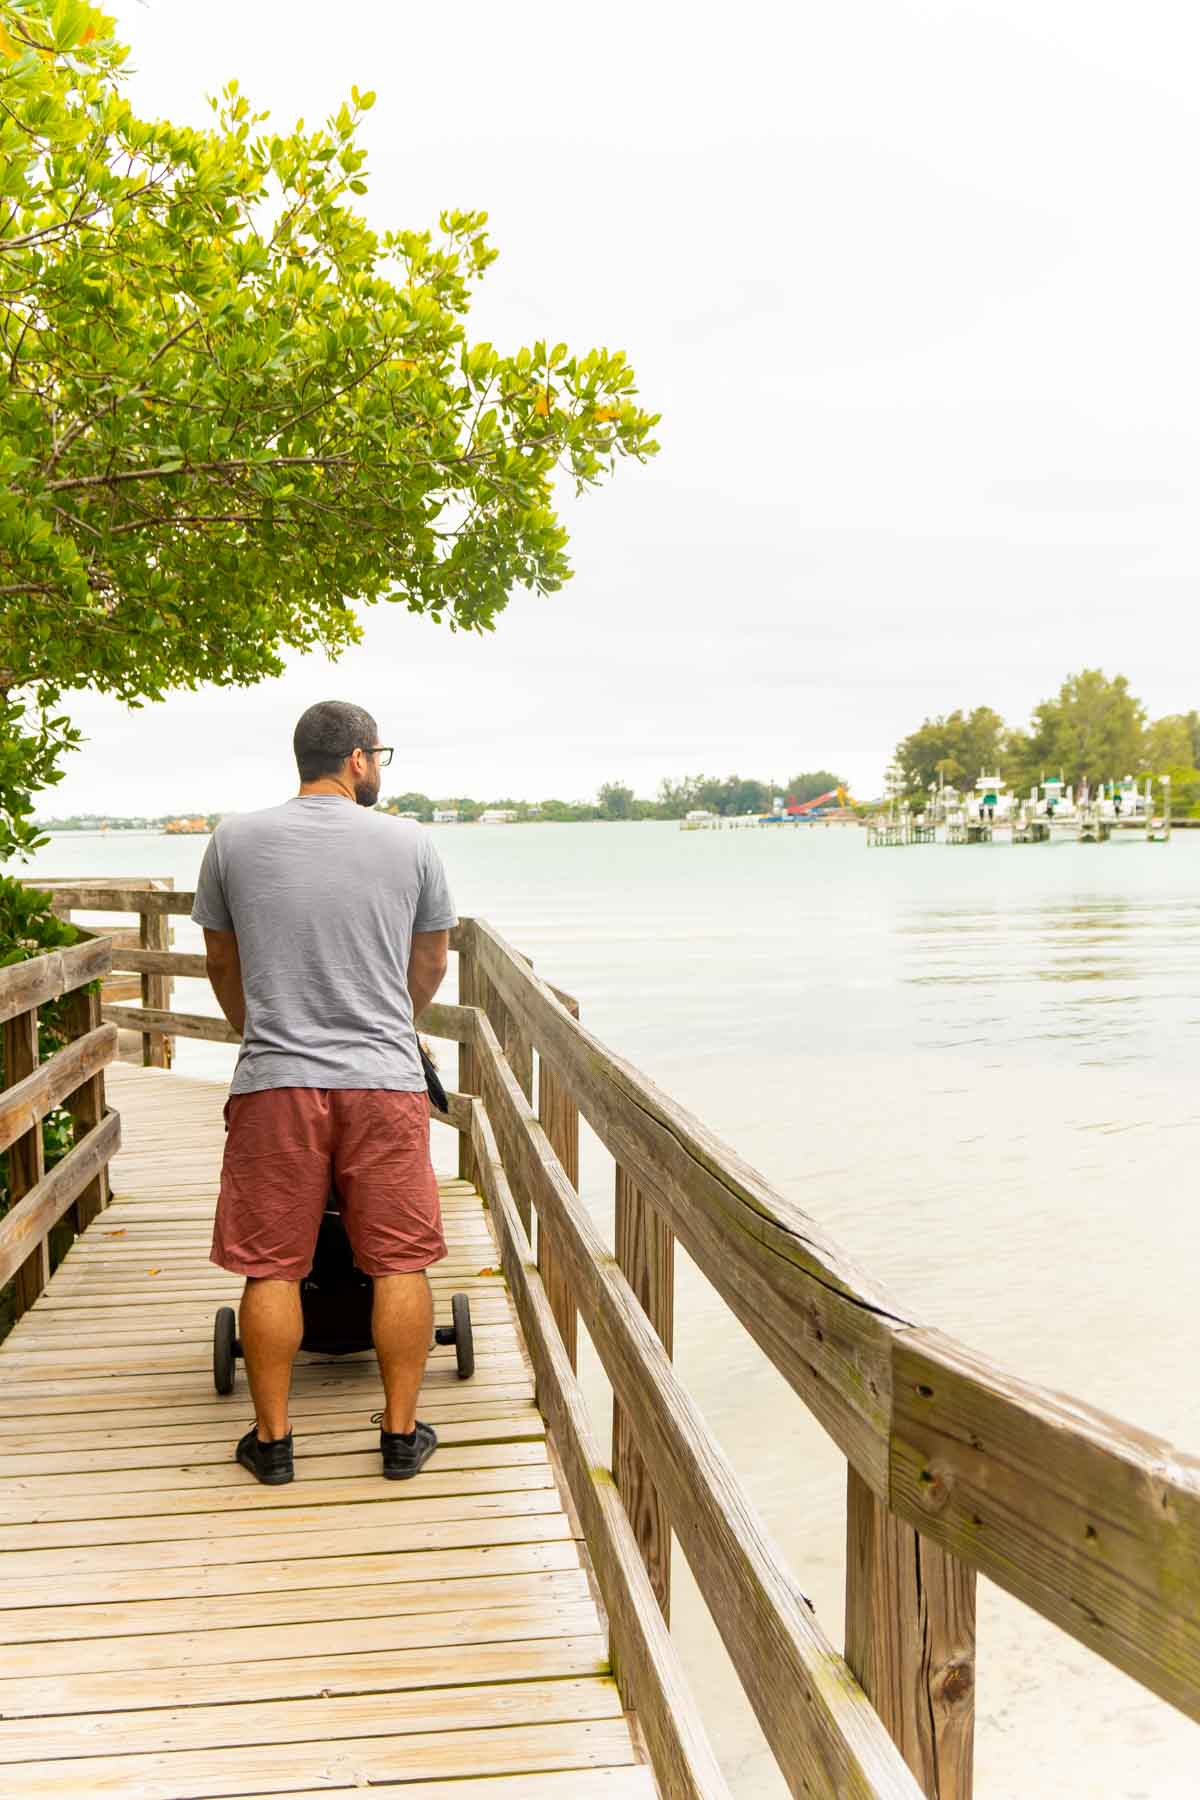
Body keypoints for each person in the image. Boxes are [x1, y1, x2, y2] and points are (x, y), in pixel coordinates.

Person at [192, 700, 457, 1486]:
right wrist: (388, 1023)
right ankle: (401, 1437)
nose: (379, 768)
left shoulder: (232, 840)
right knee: (401, 1260)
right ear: (357, 760)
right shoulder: (411, 842)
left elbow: (219, 962)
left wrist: (258, 1031)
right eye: (380, 755)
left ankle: (272, 1443)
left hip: (275, 1081)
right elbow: (434, 961)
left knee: (271, 1265)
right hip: (382, 1082)